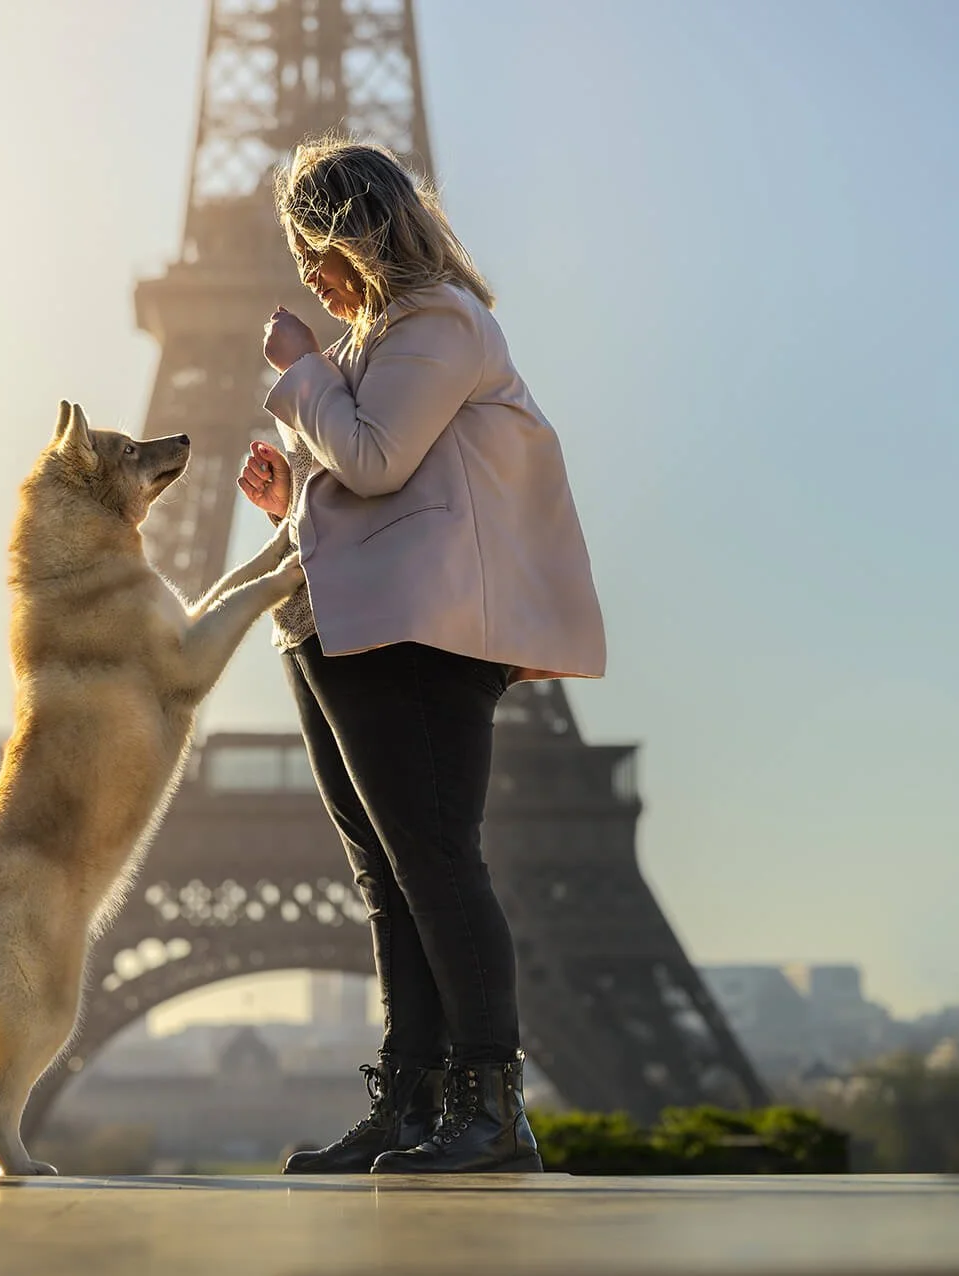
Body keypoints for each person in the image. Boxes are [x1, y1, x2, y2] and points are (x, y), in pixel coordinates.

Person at [234, 136, 605, 1174]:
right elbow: (363, 484)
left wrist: (297, 368)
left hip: (417, 632)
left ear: (355, 230)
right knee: (387, 877)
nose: (306, 273)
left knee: (434, 863)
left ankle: (487, 1113)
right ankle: (410, 1105)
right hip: (338, 626)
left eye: (312, 246)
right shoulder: (378, 341)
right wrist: (285, 497)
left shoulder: (437, 321)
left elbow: (376, 458)